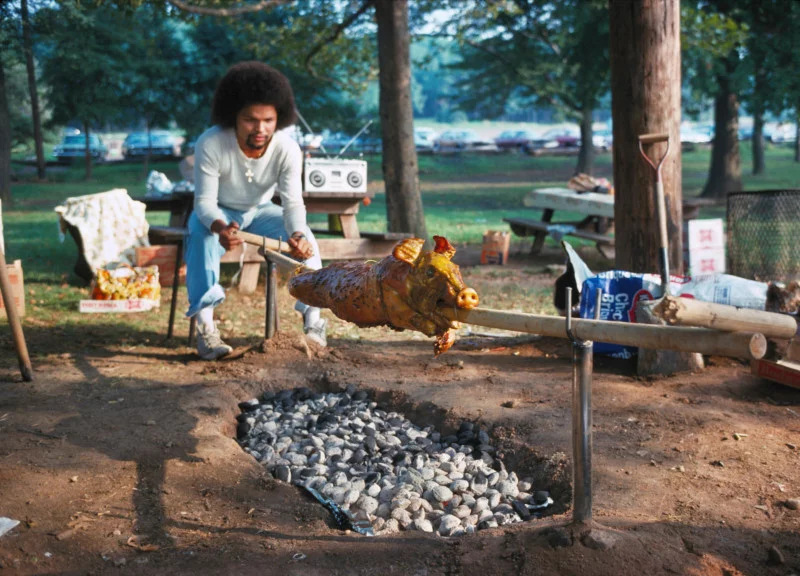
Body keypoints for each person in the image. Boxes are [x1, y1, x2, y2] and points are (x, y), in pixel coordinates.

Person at [186, 61, 326, 360]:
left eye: (268, 120)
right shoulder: (210, 143)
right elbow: (204, 204)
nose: (260, 129)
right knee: (200, 239)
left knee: (309, 245)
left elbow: (292, 203)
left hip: (261, 211)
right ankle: (207, 330)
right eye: (250, 120)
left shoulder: (287, 149)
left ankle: (314, 325)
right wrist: (220, 227)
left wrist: (298, 234)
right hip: (218, 213)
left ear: (279, 118)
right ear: (233, 116)